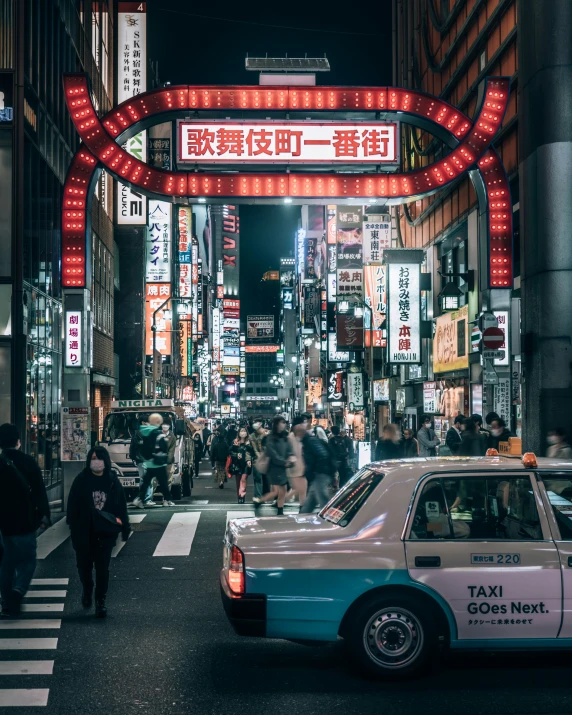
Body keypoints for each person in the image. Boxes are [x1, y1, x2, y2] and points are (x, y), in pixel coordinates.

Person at [67, 446, 130, 617]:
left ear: (105, 461)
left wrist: (124, 526)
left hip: (105, 532)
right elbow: (72, 504)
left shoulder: (111, 480)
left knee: (103, 568)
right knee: (84, 567)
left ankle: (100, 601)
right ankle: (87, 590)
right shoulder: (81, 480)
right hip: (84, 531)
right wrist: (73, 526)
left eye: (99, 458)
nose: (96, 461)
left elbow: (121, 505)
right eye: (93, 458)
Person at [0, 423, 50, 617]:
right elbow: (39, 490)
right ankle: (17, 591)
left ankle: (6, 603)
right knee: (28, 560)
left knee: (6, 563)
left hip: (3, 524)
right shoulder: (28, 462)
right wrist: (44, 515)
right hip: (24, 521)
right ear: (18, 441)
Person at [253, 416, 295, 515]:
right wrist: (284, 461)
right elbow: (272, 453)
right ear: (276, 424)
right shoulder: (271, 437)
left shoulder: (285, 436)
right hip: (274, 467)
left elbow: (289, 449)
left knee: (280, 491)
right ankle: (263, 503)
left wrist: (290, 457)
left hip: (282, 467)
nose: (284, 424)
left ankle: (274, 507)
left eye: (284, 423)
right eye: (282, 423)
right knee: (278, 491)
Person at [132, 413, 176, 508]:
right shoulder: (157, 433)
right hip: (158, 462)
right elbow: (163, 447)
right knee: (164, 482)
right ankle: (167, 500)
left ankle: (139, 499)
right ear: (158, 422)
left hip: (149, 462)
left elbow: (140, 447)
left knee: (146, 482)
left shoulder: (142, 431)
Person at [297, 424, 335, 514]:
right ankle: (303, 516)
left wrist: (314, 469)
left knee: (323, 499)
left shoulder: (310, 441)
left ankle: (328, 517)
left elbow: (322, 455)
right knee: (311, 500)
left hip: (321, 473)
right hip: (319, 473)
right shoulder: (308, 441)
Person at [129, 418, 158, 507]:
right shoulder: (139, 434)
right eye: (148, 422)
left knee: (145, 479)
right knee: (146, 479)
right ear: (143, 422)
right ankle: (146, 499)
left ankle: (142, 498)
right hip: (143, 460)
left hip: (146, 460)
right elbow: (134, 447)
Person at [229, 427, 255, 504]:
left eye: (244, 431)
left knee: (243, 479)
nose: (243, 433)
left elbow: (252, 453)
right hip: (237, 464)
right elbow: (230, 452)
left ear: (247, 433)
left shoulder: (249, 442)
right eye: (241, 431)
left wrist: (248, 446)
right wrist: (236, 455)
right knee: (238, 481)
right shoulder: (235, 442)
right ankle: (239, 496)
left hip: (246, 463)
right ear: (239, 433)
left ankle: (242, 495)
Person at [285, 416, 307, 506]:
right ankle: (283, 498)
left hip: (301, 465)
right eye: (304, 422)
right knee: (298, 488)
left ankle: (303, 507)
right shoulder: (291, 437)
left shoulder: (301, 436)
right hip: (294, 466)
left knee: (303, 488)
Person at [249, 418, 269, 499]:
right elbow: (252, 449)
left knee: (267, 479)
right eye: (254, 422)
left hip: (268, 459)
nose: (254, 424)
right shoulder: (252, 436)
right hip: (257, 460)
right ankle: (258, 496)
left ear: (261, 423)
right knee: (257, 478)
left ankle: (267, 495)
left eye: (256, 422)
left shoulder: (267, 433)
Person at [162, 421, 177, 490]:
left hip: (168, 462)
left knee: (168, 480)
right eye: (164, 424)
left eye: (166, 424)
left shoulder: (172, 437)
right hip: (157, 462)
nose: (165, 426)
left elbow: (171, 450)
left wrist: (168, 461)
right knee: (154, 481)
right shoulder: (157, 434)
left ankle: (166, 498)